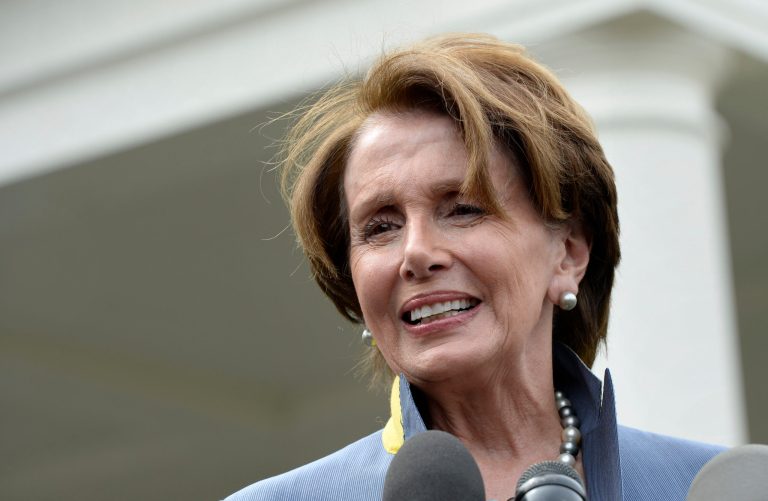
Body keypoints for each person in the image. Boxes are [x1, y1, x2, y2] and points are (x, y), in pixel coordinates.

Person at [226, 33, 723, 501]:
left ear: (568, 254)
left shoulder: (709, 487)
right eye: (380, 227)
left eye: (463, 209)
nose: (416, 253)